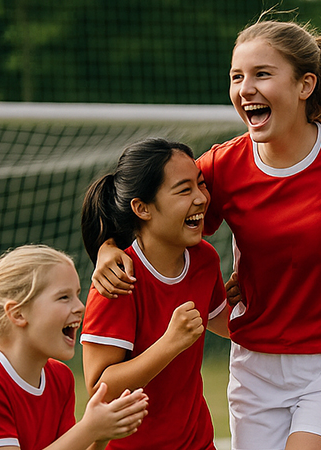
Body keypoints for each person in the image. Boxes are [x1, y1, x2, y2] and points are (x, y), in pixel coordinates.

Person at [92, 16, 321, 450]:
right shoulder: (223, 167)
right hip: (255, 367)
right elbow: (150, 217)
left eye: (262, 74)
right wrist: (107, 247)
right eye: (237, 77)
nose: (244, 89)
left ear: (305, 85)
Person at [79, 137, 229, 450]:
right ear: (142, 208)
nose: (202, 198)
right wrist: (170, 344)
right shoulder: (118, 280)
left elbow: (223, 323)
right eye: (184, 190)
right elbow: (100, 388)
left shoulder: (204, 258)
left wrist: (249, 299)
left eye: (201, 185)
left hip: (198, 443)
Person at [0, 245, 149, 450]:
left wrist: (101, 436)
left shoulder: (60, 377)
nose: (80, 307)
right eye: (63, 297)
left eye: (77, 295)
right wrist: (89, 428)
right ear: (17, 313)